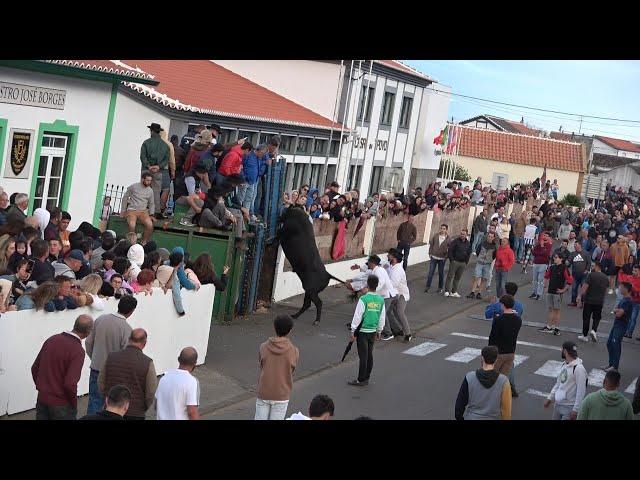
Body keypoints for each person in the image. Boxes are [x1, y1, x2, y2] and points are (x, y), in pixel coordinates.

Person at [31, 315, 94, 420]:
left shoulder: (52, 340)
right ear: (88, 332)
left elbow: (34, 368)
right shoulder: (77, 350)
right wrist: (73, 402)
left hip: (42, 399)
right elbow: (70, 383)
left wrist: (42, 388)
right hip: (61, 404)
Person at [84, 295, 137, 415]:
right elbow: (126, 355)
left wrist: (95, 358)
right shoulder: (127, 329)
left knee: (94, 402)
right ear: (132, 311)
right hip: (114, 373)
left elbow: (88, 342)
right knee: (112, 407)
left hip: (96, 368)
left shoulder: (100, 319)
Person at [98, 328, 157, 421]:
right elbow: (151, 391)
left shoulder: (111, 357)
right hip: (135, 412)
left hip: (111, 409)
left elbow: (101, 382)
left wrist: (108, 399)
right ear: (144, 343)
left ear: (129, 340)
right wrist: (143, 407)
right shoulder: (147, 362)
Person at [255, 315, 299, 420]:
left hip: (264, 391)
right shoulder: (294, 351)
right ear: (290, 331)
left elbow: (262, 365)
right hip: (282, 394)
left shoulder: (263, 347)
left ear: (274, 328)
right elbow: (291, 371)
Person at [454, 345, 512, 420]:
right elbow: (506, 409)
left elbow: (460, 403)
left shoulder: (469, 377)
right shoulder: (504, 381)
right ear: (496, 360)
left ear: (482, 358)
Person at [348, 275, 386, 387]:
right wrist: (379, 330)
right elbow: (381, 317)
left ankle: (361, 379)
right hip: (373, 331)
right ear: (377, 285)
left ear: (367, 285)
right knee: (369, 354)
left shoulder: (363, 299)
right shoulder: (381, 300)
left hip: (363, 332)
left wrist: (353, 331)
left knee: (363, 356)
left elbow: (357, 316)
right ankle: (367, 377)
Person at [544, 341, 587, 420]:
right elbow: (558, 384)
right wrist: (550, 398)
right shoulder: (564, 364)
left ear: (565, 351)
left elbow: (581, 391)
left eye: (562, 349)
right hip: (558, 405)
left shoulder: (579, 369)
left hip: (569, 408)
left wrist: (576, 409)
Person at [488, 295, 522, 393]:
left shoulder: (499, 320)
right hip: (511, 352)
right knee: (503, 378)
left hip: (498, 352)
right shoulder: (518, 320)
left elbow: (492, 337)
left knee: (492, 377)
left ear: (503, 305)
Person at [155, 347, 200, 420]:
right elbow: (192, 412)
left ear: (178, 359)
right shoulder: (192, 382)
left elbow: (156, 405)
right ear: (195, 363)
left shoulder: (164, 378)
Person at [140, 122, 170, 218]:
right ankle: (156, 211)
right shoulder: (165, 146)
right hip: (158, 171)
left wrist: (148, 166)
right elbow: (166, 159)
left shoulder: (146, 143)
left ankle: (142, 208)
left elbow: (142, 157)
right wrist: (158, 167)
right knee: (156, 192)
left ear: (151, 131)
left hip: (146, 170)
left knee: (143, 189)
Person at [539, 253, 573, 335]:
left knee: (557, 310)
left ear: (561, 259)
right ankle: (549, 326)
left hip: (557, 293)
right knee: (550, 309)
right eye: (554, 257)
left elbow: (570, 280)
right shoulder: (552, 267)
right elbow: (546, 276)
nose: (554, 259)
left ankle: (556, 328)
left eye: (556, 257)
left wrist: (563, 290)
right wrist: (545, 287)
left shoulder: (564, 268)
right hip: (550, 291)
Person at [384, 249, 412, 342]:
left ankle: (408, 334)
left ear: (394, 258)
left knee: (399, 312)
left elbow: (393, 284)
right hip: (394, 294)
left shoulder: (398, 270)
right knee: (388, 312)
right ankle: (397, 330)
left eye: (389, 255)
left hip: (401, 294)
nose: (387, 256)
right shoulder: (392, 266)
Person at [604, 281, 633, 372]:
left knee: (615, 345)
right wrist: (617, 310)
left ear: (626, 289)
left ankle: (614, 366)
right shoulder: (624, 299)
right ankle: (611, 364)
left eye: (621, 287)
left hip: (621, 325)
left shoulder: (627, 301)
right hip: (616, 325)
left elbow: (619, 313)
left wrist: (616, 310)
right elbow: (616, 310)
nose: (619, 288)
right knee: (609, 343)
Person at [577, 261, 608, 343]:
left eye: (593, 266)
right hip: (599, 301)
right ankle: (594, 330)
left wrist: (579, 296)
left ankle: (584, 335)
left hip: (589, 300)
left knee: (586, 318)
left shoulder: (591, 275)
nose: (592, 267)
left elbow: (585, 287)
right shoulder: (605, 277)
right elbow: (605, 290)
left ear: (597, 267)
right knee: (596, 318)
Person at [121, 172, 155, 244]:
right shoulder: (133, 186)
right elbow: (125, 197)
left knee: (150, 225)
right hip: (132, 210)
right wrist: (123, 211)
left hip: (143, 211)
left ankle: (144, 242)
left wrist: (151, 214)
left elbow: (151, 203)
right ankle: (132, 242)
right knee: (132, 224)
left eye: (150, 181)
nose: (149, 182)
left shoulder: (150, 190)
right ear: (142, 179)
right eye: (147, 180)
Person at [467, 231, 498, 300]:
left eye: (491, 237)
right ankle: (472, 292)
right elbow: (478, 251)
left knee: (484, 279)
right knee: (476, 277)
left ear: (493, 238)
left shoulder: (494, 247)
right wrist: (480, 258)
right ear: (487, 236)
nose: (490, 238)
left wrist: (489, 260)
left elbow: (494, 256)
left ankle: (479, 293)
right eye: (489, 236)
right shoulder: (482, 244)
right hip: (480, 263)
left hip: (487, 264)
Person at [444, 228, 472, 298]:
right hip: (455, 262)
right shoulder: (455, 241)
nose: (462, 235)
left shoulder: (468, 243)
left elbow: (469, 253)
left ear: (466, 235)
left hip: (462, 263)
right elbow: (450, 250)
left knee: (457, 278)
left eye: (463, 234)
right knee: (450, 277)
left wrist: (466, 262)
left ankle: (454, 291)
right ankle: (447, 291)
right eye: (461, 234)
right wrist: (452, 260)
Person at [425, 224, 450, 293]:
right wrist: (430, 253)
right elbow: (431, 244)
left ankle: (440, 288)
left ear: (446, 230)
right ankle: (427, 287)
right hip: (434, 257)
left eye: (444, 228)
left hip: (442, 259)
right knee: (430, 272)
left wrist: (446, 257)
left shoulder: (448, 239)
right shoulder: (436, 236)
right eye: (441, 228)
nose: (442, 230)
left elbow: (450, 248)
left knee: (441, 273)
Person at [529, 233, 552, 300]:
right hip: (536, 263)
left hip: (543, 264)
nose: (545, 237)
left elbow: (546, 254)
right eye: (544, 235)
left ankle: (539, 294)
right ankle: (534, 292)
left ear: (549, 237)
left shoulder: (549, 244)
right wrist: (540, 251)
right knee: (534, 279)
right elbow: (533, 252)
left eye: (546, 236)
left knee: (540, 280)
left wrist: (542, 246)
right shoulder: (539, 244)